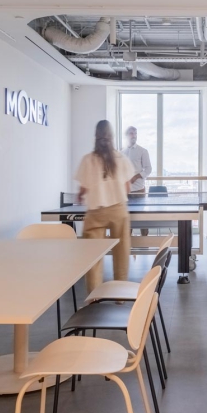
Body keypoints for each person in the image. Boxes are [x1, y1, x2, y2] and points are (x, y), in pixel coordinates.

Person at [76, 120, 135, 292]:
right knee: (121, 253)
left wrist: (81, 195)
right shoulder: (121, 158)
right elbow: (127, 187)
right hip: (118, 209)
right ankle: (120, 295)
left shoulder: (87, 160)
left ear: (96, 137)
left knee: (93, 257)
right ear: (112, 137)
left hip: (95, 212)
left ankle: (94, 298)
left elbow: (83, 188)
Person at [122, 126, 152, 194]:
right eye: (131, 133)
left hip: (138, 190)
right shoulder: (122, 152)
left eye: (135, 133)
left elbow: (148, 169)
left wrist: (135, 177)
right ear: (126, 136)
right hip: (125, 191)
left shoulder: (143, 151)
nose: (134, 136)